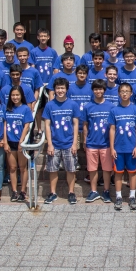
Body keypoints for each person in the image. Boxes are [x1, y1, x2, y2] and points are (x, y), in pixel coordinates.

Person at [43, 77, 81, 205]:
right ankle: (53, 193)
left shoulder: (73, 104)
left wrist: (75, 143)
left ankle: (71, 192)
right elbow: (47, 125)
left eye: (62, 88)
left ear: (66, 89)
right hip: (55, 143)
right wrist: (49, 144)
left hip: (69, 142)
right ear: (54, 89)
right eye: (58, 88)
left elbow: (76, 124)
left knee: (71, 169)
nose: (60, 90)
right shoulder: (49, 105)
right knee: (52, 169)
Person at [109, 82, 136, 210]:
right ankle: (118, 197)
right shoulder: (114, 110)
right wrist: (112, 148)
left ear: (131, 93)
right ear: (119, 93)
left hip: (131, 148)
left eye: (127, 91)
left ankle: (132, 197)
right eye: (122, 91)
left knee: (132, 173)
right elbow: (112, 129)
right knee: (118, 173)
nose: (124, 93)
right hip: (118, 148)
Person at [82, 80, 115, 204]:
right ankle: (94, 191)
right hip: (92, 143)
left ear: (104, 90)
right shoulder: (87, 106)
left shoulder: (111, 107)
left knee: (107, 169)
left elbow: (113, 127)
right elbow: (85, 125)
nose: (98, 91)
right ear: (93, 90)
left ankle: (106, 191)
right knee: (92, 169)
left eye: (100, 89)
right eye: (96, 89)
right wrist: (85, 141)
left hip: (106, 144)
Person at [4, 86, 33, 202]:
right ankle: (14, 191)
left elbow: (27, 126)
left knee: (22, 168)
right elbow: (5, 126)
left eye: (17, 95)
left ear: (21, 96)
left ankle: (23, 191)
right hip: (10, 142)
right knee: (12, 167)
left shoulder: (25, 109)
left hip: (22, 142)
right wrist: (5, 142)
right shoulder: (7, 109)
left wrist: (21, 141)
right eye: (13, 95)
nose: (15, 97)